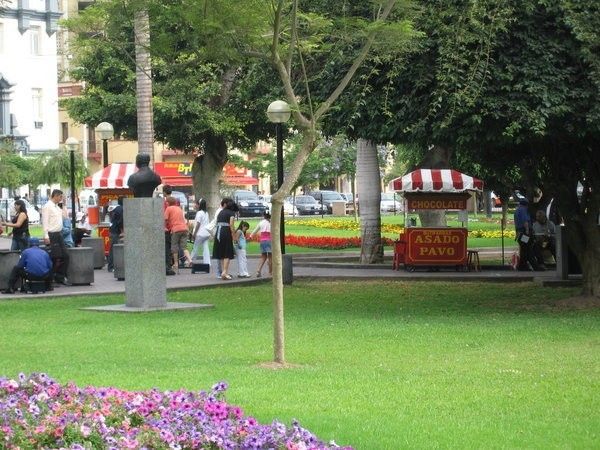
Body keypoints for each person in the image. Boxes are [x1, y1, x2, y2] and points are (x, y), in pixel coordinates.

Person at [42, 189, 71, 285]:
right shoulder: (47, 207)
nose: (61, 199)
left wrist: (64, 205)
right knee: (54, 257)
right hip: (52, 234)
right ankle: (50, 279)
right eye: (60, 197)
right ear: (56, 196)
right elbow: (45, 222)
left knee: (65, 255)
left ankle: (60, 276)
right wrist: (46, 236)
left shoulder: (57, 207)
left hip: (59, 234)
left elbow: (65, 216)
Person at [164, 195, 192, 272]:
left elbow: (165, 219)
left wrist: (165, 227)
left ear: (168, 203)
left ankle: (176, 263)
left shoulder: (168, 208)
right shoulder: (179, 208)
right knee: (184, 247)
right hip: (184, 228)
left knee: (174, 247)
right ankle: (190, 260)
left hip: (176, 229)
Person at [212, 198, 237, 280]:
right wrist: (234, 236)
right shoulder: (231, 213)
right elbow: (231, 225)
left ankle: (224, 271)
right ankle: (225, 272)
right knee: (227, 253)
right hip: (226, 232)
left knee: (221, 253)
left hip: (219, 232)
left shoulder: (221, 212)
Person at [514, 198, 539, 271]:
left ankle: (523, 266)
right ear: (526, 204)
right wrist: (527, 232)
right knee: (528, 249)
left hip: (519, 233)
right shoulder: (524, 210)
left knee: (524, 250)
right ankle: (534, 267)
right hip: (525, 233)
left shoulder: (517, 210)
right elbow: (525, 222)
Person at [250, 211, 272, 278]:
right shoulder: (271, 223)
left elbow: (255, 231)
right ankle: (270, 272)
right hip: (269, 240)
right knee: (270, 257)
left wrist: (250, 236)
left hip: (262, 241)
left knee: (263, 256)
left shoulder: (261, 223)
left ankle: (258, 270)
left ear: (264, 215)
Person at [190, 198, 211, 266]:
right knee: (206, 247)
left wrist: (194, 233)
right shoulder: (206, 213)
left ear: (199, 205)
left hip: (200, 234)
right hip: (206, 233)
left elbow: (198, 224)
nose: (195, 205)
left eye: (196, 204)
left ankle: (190, 260)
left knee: (195, 247)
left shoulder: (199, 213)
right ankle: (207, 262)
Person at [162, 185, 177, 276]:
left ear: (164, 192)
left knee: (166, 248)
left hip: (167, 228)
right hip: (174, 228)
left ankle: (167, 267)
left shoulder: (165, 203)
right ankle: (171, 265)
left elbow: (164, 217)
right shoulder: (175, 201)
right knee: (172, 247)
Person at [107, 197, 124, 272]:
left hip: (112, 230)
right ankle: (111, 266)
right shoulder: (121, 209)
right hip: (116, 231)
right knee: (114, 249)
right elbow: (120, 222)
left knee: (112, 248)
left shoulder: (116, 209)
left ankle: (111, 266)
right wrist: (122, 231)